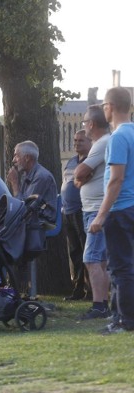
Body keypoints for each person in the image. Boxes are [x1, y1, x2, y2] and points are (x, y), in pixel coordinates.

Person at [89, 87, 134, 334]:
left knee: (120, 268)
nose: (103, 109)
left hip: (120, 209)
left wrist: (101, 214)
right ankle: (120, 316)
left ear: (111, 107)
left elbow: (116, 179)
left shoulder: (118, 137)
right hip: (132, 207)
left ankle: (124, 321)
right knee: (129, 266)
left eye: (104, 105)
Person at [74, 106, 111, 318]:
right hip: (93, 208)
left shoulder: (101, 143)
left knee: (92, 258)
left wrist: (82, 176)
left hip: (97, 209)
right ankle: (104, 303)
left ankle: (99, 306)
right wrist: (82, 176)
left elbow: (79, 171)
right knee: (101, 260)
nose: (83, 127)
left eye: (84, 123)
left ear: (91, 124)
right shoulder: (103, 143)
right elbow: (80, 176)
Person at [61, 130, 91, 301]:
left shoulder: (91, 162)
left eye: (81, 140)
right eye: (75, 140)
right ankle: (78, 289)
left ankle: (90, 291)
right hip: (68, 212)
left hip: (82, 211)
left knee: (87, 251)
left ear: (90, 142)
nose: (77, 143)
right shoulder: (71, 161)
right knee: (75, 253)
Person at [6, 141, 57, 224]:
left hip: (41, 221)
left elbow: (24, 208)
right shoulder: (26, 175)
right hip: (31, 219)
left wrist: (14, 183)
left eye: (16, 156)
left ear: (27, 158)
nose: (13, 160)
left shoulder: (41, 177)